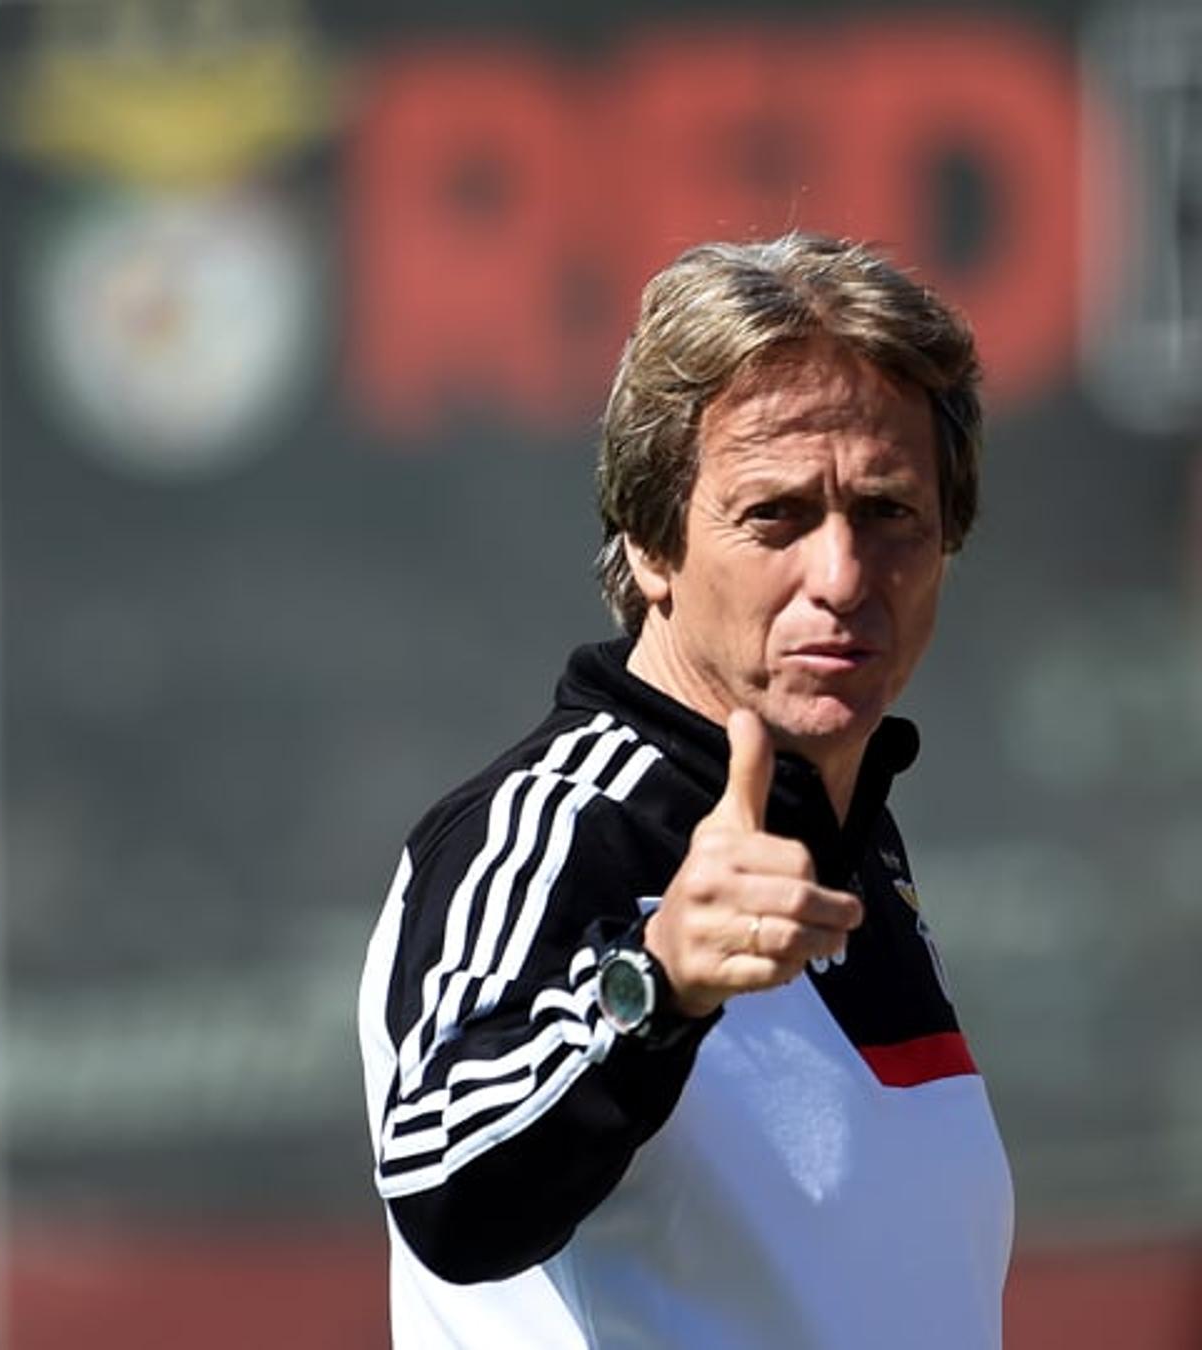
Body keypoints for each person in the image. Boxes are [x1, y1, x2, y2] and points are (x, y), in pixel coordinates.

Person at [357, 233, 1012, 1348]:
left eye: (889, 512)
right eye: (777, 517)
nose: (842, 576)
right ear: (651, 547)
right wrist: (653, 985)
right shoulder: (568, 819)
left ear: (949, 536)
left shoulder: (849, 838)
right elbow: (443, 1184)